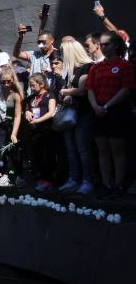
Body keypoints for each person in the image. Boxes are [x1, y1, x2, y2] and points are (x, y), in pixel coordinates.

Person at [86, 32, 135, 198]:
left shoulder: (124, 65)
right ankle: (107, 183)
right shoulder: (95, 67)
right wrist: (95, 106)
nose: (103, 47)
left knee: (117, 150)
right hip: (98, 112)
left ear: (115, 45)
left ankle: (119, 184)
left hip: (116, 111)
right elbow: (89, 89)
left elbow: (126, 89)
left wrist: (107, 106)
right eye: (101, 44)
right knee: (103, 150)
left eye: (106, 44)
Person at [58, 40, 95, 194]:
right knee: (71, 150)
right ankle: (74, 179)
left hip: (83, 114)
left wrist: (65, 92)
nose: (61, 56)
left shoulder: (88, 66)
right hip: (70, 115)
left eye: (62, 52)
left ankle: (88, 181)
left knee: (83, 149)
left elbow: (81, 90)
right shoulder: (70, 70)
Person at [23, 73, 57, 192]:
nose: (31, 88)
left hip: (46, 129)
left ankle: (49, 180)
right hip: (34, 131)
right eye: (30, 85)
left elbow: (51, 112)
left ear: (41, 84)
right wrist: (27, 113)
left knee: (47, 155)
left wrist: (38, 120)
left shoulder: (49, 95)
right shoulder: (31, 97)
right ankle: (41, 178)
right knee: (36, 156)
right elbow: (27, 109)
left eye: (33, 85)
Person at [0, 66, 23, 186]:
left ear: (13, 80)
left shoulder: (15, 95)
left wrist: (14, 133)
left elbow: (17, 116)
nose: (6, 84)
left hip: (11, 125)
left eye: (8, 81)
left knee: (11, 152)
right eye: (3, 81)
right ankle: (3, 174)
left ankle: (13, 175)